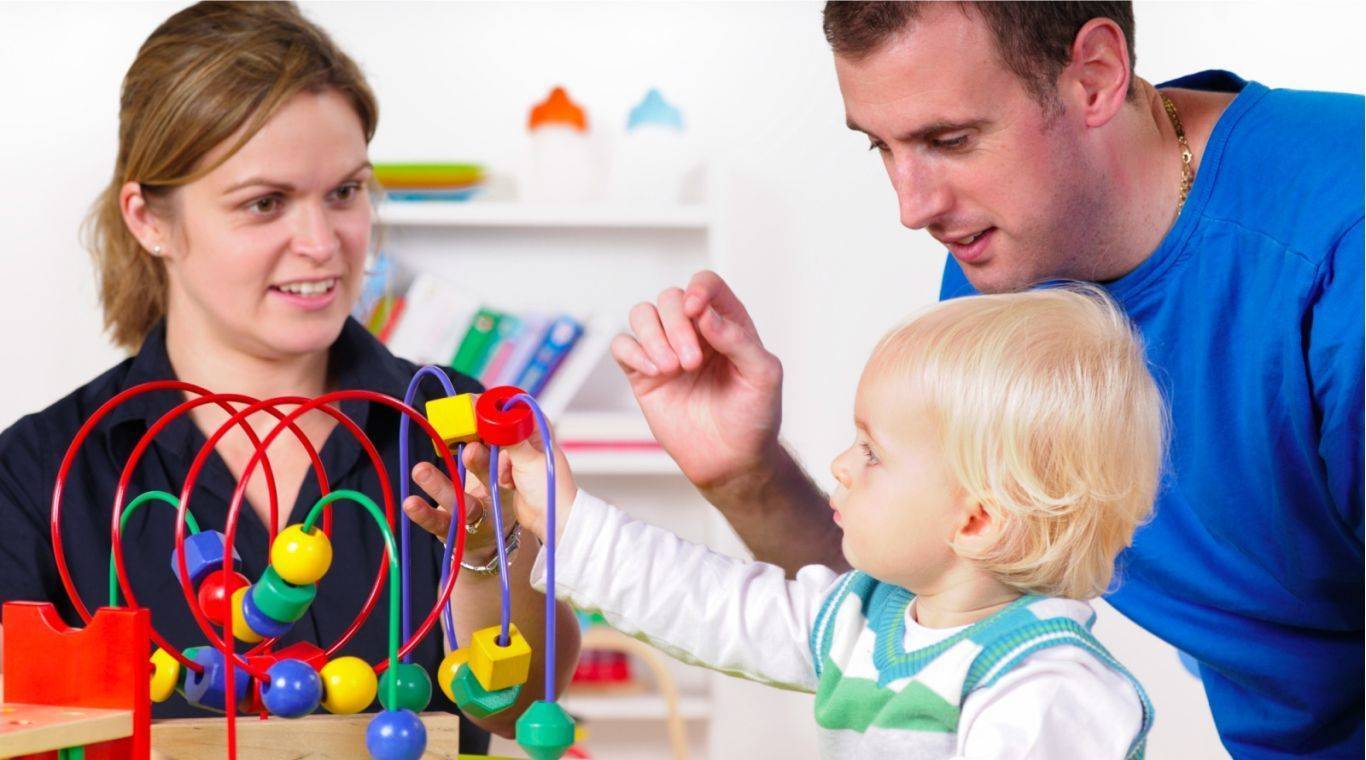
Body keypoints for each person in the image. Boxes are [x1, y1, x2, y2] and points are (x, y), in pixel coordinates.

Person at [611, 3, 1363, 758]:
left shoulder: (1341, 255)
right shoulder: (1011, 263)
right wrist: (747, 475)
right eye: (881, 146)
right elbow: (934, 601)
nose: (913, 208)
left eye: (950, 140)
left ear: (1095, 76)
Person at [0, 2, 578, 749]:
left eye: (345, 192)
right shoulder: (41, 473)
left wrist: (484, 556)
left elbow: (517, 708)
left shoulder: (459, 428)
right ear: (148, 219)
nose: (322, 242)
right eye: (265, 203)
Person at [497, 286, 1164, 758]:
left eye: (872, 452)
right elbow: (712, 606)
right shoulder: (864, 617)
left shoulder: (1046, 688)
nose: (841, 465)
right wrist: (567, 519)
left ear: (976, 521)